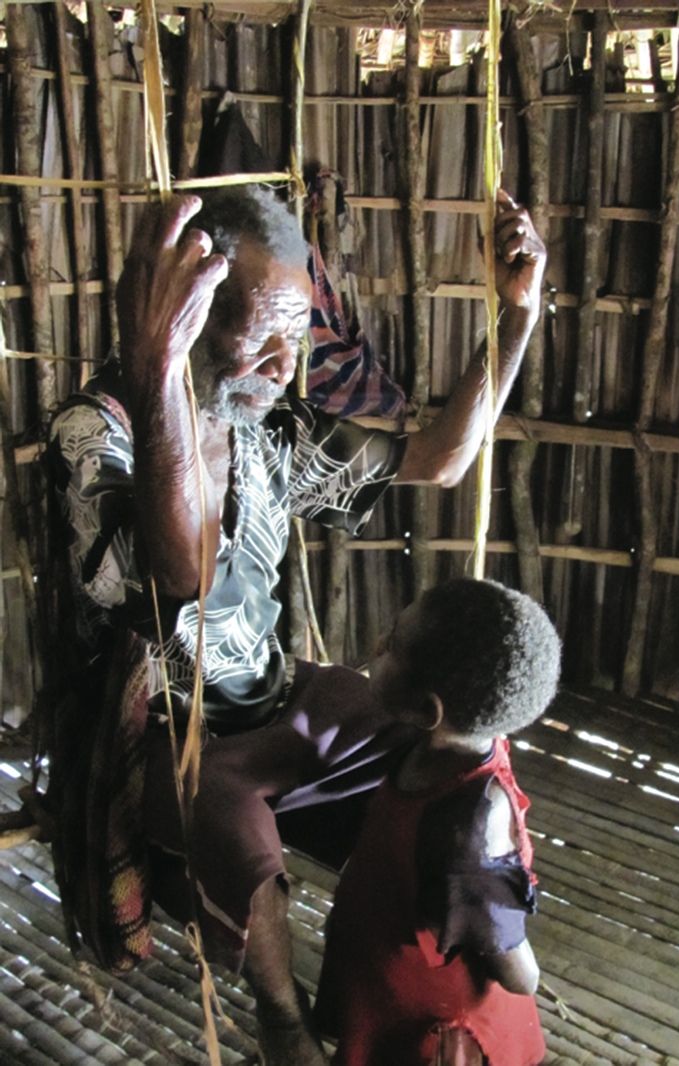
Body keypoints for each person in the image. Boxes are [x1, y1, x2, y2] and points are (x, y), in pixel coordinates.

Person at [46, 184, 546, 1065]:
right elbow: (178, 575)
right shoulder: (98, 431)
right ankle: (283, 1023)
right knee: (239, 839)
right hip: (175, 730)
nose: (286, 364)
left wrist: (517, 317)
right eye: (260, 334)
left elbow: (441, 458)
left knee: (442, 755)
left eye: (298, 331)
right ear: (188, 314)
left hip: (279, 697)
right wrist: (157, 365)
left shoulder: (265, 423)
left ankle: (436, 961)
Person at [314, 577, 561, 1066]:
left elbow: (519, 976)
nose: (377, 646)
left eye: (392, 644)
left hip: (434, 1022)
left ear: (429, 709)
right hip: (392, 982)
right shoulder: (437, 746)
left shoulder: (468, 830)